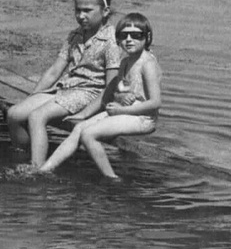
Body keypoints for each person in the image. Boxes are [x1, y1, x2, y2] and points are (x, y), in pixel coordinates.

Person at [7, 0, 122, 167]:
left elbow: (111, 85)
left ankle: (37, 167)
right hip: (65, 88)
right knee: (14, 114)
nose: (81, 16)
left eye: (87, 10)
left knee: (37, 116)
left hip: (89, 93)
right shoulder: (75, 35)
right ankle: (21, 155)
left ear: (105, 11)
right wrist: (33, 96)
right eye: (78, 10)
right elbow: (54, 72)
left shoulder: (111, 41)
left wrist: (86, 114)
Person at [39, 13, 162, 179]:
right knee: (79, 128)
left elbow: (155, 103)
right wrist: (120, 97)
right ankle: (45, 169)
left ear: (147, 37)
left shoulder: (148, 64)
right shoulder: (125, 62)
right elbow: (120, 88)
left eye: (136, 35)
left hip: (143, 119)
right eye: (123, 35)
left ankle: (112, 178)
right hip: (125, 111)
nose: (129, 40)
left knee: (89, 135)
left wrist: (120, 110)